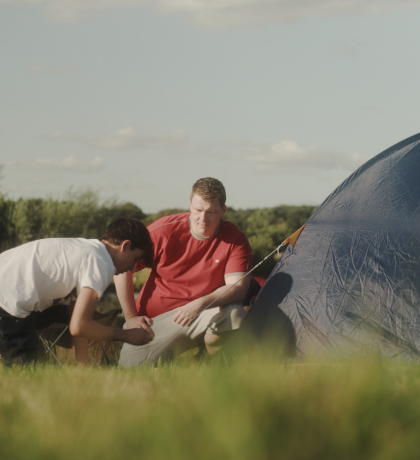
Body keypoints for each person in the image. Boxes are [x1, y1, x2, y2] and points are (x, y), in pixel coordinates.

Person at [116, 177, 252, 367]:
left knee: (234, 314)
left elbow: (238, 288)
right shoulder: (162, 231)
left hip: (203, 315)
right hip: (156, 322)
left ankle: (207, 367)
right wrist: (130, 317)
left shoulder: (235, 239)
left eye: (211, 212)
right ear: (190, 205)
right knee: (130, 369)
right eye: (198, 210)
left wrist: (201, 303)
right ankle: (181, 358)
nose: (203, 219)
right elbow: (121, 269)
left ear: (223, 210)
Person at [0, 218, 154, 366]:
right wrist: (126, 335)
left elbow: (75, 315)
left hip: (10, 293)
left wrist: (83, 366)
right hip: (8, 299)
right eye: (135, 259)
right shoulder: (102, 263)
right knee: (31, 371)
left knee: (39, 363)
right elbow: (79, 325)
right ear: (125, 245)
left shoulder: (88, 251)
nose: (134, 268)